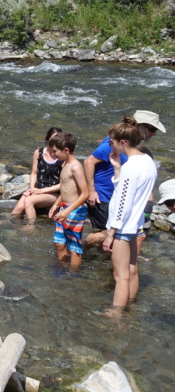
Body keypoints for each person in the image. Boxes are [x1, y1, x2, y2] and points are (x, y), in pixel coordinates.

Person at [84, 110, 165, 249]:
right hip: (103, 196)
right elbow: (88, 162)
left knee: (113, 236)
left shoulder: (131, 146)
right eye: (152, 129)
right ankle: (79, 248)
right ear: (141, 126)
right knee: (107, 234)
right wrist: (91, 191)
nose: (154, 133)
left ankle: (102, 259)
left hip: (116, 195)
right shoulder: (114, 142)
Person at [102, 117, 158, 311]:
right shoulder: (148, 161)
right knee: (132, 269)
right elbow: (130, 193)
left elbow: (123, 203)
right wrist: (117, 169)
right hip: (135, 224)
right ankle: (131, 306)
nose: (111, 146)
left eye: (112, 142)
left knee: (120, 276)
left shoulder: (131, 167)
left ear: (122, 142)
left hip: (123, 227)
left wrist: (111, 233)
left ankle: (115, 316)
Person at [46, 132, 90, 271]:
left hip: (75, 210)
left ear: (66, 150)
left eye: (55, 151)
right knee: (59, 243)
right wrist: (56, 204)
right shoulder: (64, 163)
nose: (53, 154)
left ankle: (73, 274)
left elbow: (85, 194)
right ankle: (62, 268)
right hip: (64, 208)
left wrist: (68, 210)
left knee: (73, 246)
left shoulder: (75, 167)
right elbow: (65, 188)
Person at [12, 127, 63, 220]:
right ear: (47, 140)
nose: (55, 142)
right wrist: (31, 189)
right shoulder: (39, 152)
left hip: (53, 193)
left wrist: (42, 191)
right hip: (36, 188)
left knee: (28, 201)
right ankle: (9, 226)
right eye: (52, 139)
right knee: (18, 209)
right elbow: (34, 173)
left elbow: (64, 184)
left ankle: (31, 228)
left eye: (58, 139)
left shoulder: (62, 157)